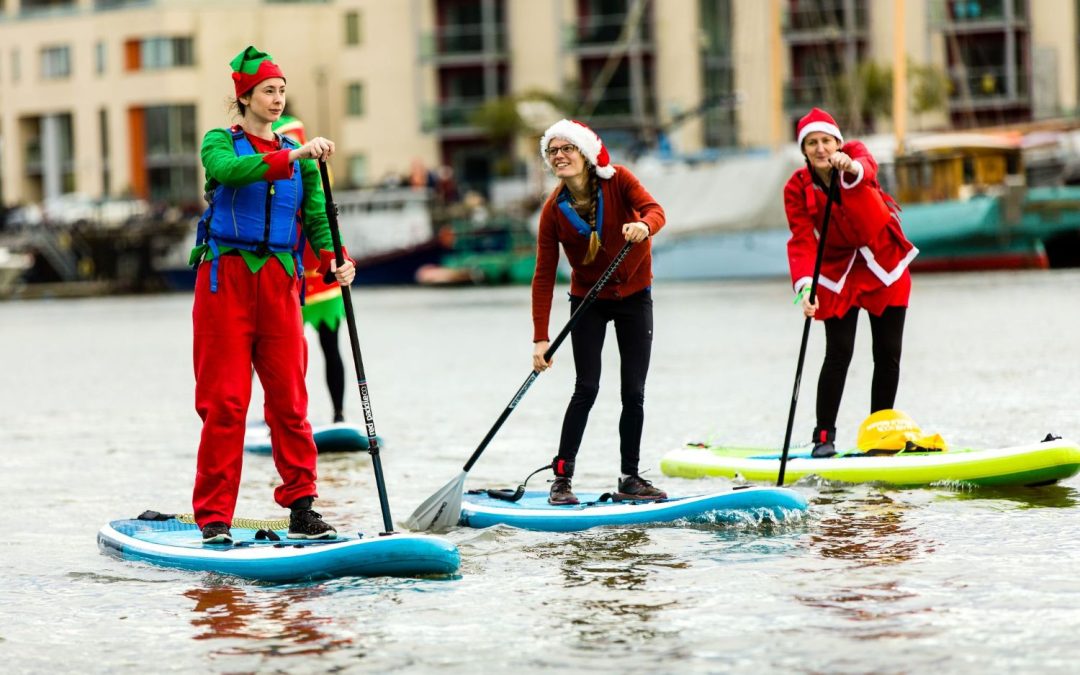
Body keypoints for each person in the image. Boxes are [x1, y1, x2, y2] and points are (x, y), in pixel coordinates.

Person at [190, 46, 356, 544]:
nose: (278, 98)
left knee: (289, 401)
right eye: (268, 90)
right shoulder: (219, 142)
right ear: (245, 96)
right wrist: (295, 154)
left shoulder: (299, 157)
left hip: (282, 284)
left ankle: (302, 507)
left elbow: (319, 217)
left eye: (282, 90)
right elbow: (231, 173)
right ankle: (215, 516)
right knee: (226, 403)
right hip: (226, 281)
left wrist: (335, 260)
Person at [532, 119, 667, 505]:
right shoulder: (553, 210)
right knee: (586, 388)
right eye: (552, 151)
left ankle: (630, 477)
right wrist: (540, 338)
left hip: (635, 297)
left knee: (633, 392)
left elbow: (656, 211)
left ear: (586, 154)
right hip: (588, 301)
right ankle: (561, 478)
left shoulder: (619, 180)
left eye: (567, 148)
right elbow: (543, 276)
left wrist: (644, 225)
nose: (559, 155)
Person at [784, 108, 918, 458]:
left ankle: (880, 436)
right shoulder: (796, 187)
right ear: (804, 151)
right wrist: (804, 287)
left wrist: (850, 168)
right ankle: (823, 436)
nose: (820, 148)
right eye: (811, 143)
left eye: (826, 141)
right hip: (836, 271)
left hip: (882, 261)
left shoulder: (855, 155)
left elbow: (866, 170)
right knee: (838, 352)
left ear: (838, 142)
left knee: (887, 353)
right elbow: (801, 239)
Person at [272, 112, 347, 424]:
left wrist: (341, 259)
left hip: (321, 278)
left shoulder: (313, 175)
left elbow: (323, 221)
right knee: (280, 354)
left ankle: (339, 416)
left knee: (331, 347)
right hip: (288, 274)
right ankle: (277, 419)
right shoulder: (272, 179)